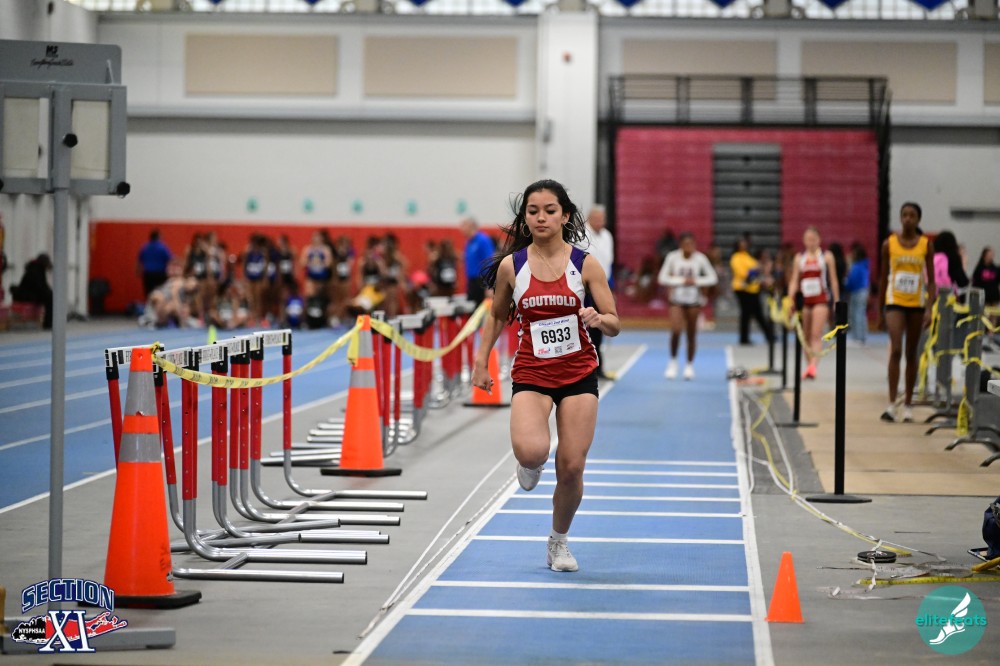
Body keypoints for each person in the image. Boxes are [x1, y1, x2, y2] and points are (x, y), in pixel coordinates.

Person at [472, 179, 619, 573]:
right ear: (525, 218)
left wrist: (598, 318)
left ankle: (558, 542)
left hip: (578, 374)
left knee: (571, 467)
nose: (541, 218)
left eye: (550, 211)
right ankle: (530, 461)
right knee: (532, 451)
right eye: (533, 211)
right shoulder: (513, 266)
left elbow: (615, 322)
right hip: (532, 373)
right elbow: (497, 316)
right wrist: (481, 362)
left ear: (564, 215)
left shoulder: (585, 264)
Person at [876, 202, 936, 423]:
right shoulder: (889, 244)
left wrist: (929, 307)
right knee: (896, 350)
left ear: (918, 219)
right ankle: (892, 404)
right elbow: (883, 278)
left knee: (912, 353)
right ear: (900, 218)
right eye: (904, 215)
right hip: (895, 301)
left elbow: (932, 281)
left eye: (912, 215)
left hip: (916, 304)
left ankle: (908, 404)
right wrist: (880, 311)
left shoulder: (925, 245)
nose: (908, 219)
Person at [657, 232, 718, 380]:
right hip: (676, 300)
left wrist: (696, 281)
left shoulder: (700, 258)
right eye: (686, 244)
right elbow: (662, 278)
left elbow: (712, 278)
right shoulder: (673, 257)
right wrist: (681, 281)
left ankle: (689, 365)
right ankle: (673, 362)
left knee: (691, 333)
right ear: (681, 245)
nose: (689, 247)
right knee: (676, 330)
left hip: (693, 301)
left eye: (692, 244)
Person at [787, 227, 840, 379]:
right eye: (808, 240)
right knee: (805, 335)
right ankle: (809, 365)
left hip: (820, 300)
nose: (811, 242)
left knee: (816, 334)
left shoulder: (826, 257)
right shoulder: (799, 258)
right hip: (805, 300)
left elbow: (834, 280)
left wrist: (836, 300)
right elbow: (794, 281)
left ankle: (813, 367)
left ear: (819, 240)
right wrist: (790, 300)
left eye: (813, 239)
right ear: (804, 241)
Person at [578, 205, 615, 380]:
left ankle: (598, 366)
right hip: (585, 288)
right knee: (587, 327)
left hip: (603, 285)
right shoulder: (580, 235)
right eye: (597, 219)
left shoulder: (607, 236)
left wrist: (611, 289)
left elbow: (608, 263)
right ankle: (586, 366)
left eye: (602, 219)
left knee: (600, 326)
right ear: (590, 218)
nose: (600, 222)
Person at [730, 236, 773, 346]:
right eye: (742, 243)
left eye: (745, 243)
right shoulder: (735, 257)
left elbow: (757, 266)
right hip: (742, 288)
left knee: (757, 313)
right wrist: (754, 271)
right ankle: (745, 338)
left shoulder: (747, 256)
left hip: (753, 288)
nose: (744, 245)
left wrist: (758, 269)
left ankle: (768, 335)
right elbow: (742, 273)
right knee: (747, 313)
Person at [460, 216, 496, 305]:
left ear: (471, 226)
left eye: (463, 226)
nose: (461, 229)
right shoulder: (468, 242)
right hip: (472, 282)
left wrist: (489, 285)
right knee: (471, 309)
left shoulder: (483, 240)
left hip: (481, 281)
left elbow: (489, 262)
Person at [12, 253, 53, 329]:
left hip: (29, 293)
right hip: (26, 295)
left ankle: (48, 322)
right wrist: (49, 292)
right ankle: (48, 323)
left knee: (50, 296)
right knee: (50, 298)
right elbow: (39, 286)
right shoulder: (36, 270)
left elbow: (41, 286)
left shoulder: (36, 268)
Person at [844, 242, 871, 345]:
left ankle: (858, 337)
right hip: (863, 290)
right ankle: (862, 336)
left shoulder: (856, 266)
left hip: (857, 291)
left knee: (856, 314)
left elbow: (852, 280)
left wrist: (846, 286)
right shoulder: (864, 265)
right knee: (861, 314)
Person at [932, 230, 969, 301]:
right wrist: (964, 262)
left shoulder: (933, 257)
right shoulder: (953, 258)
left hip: (932, 295)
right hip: (948, 297)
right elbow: (962, 281)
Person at [136, 229, 173, 298]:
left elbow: (139, 261)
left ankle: (149, 304)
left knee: (149, 293)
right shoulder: (162, 247)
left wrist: (138, 272)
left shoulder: (145, 247)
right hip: (160, 274)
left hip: (148, 274)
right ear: (159, 237)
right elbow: (170, 259)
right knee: (161, 293)